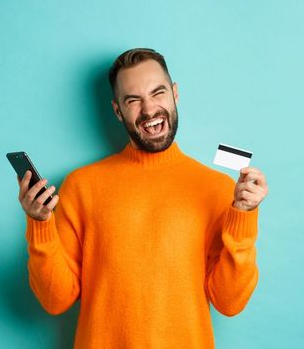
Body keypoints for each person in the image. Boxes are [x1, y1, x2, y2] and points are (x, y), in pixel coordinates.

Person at [16, 48, 269, 348]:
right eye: (133, 100)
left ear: (175, 94)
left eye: (158, 93)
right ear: (117, 110)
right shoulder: (82, 186)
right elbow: (55, 301)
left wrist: (243, 215)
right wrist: (40, 223)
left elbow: (229, 302)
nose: (149, 110)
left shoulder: (216, 188)